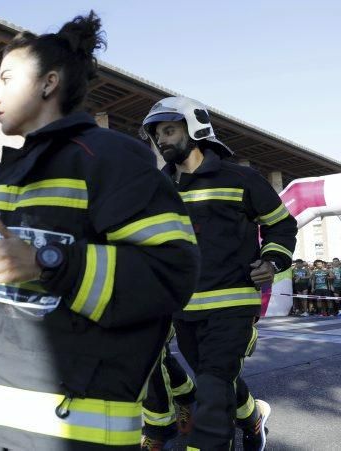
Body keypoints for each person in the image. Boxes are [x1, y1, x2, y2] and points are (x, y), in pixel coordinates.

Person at [0, 12, 201, 450]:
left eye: (6, 79)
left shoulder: (112, 158)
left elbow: (172, 271)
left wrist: (47, 262)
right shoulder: (7, 175)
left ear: (48, 83)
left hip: (75, 432)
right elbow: (22, 291)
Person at [142, 95, 298, 450]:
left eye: (169, 130)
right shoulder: (158, 190)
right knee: (219, 381)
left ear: (196, 129)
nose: (162, 139)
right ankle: (253, 418)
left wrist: (272, 261)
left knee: (212, 392)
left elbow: (281, 226)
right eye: (157, 134)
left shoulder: (241, 178)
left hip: (233, 306)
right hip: (183, 309)